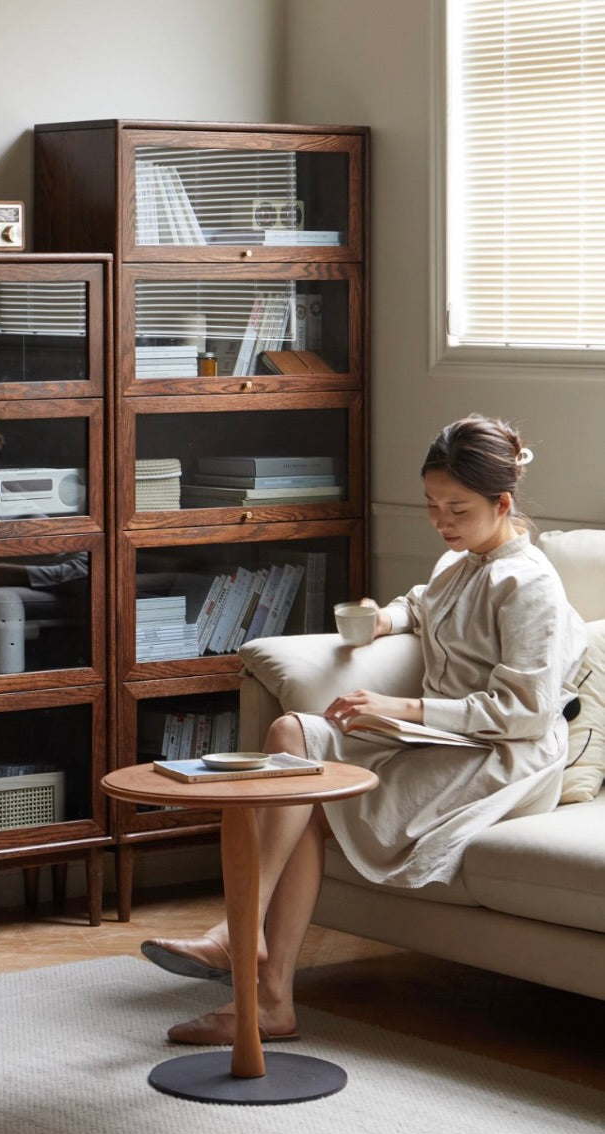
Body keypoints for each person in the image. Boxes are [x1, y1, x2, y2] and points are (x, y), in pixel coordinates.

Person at [142, 415, 589, 1046]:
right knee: (293, 737)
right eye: (432, 506)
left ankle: (250, 959)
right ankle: (253, 965)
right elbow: (425, 600)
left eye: (457, 509)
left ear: (503, 504)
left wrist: (401, 710)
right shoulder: (459, 560)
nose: (441, 522)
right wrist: (386, 618)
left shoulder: (529, 583)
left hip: (500, 758)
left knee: (309, 798)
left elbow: (524, 714)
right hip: (441, 739)